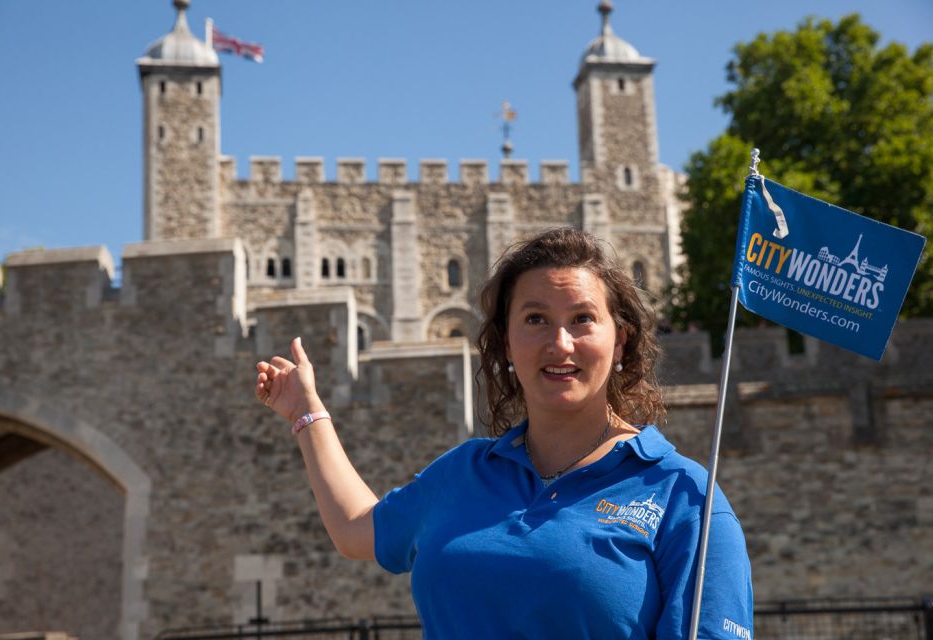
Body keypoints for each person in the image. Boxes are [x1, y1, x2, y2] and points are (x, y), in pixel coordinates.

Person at [256, 228, 753, 639]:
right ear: (507, 345)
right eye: (535, 319)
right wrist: (307, 413)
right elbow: (355, 530)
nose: (560, 344)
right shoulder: (464, 472)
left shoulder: (684, 497)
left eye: (582, 319)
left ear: (619, 339)